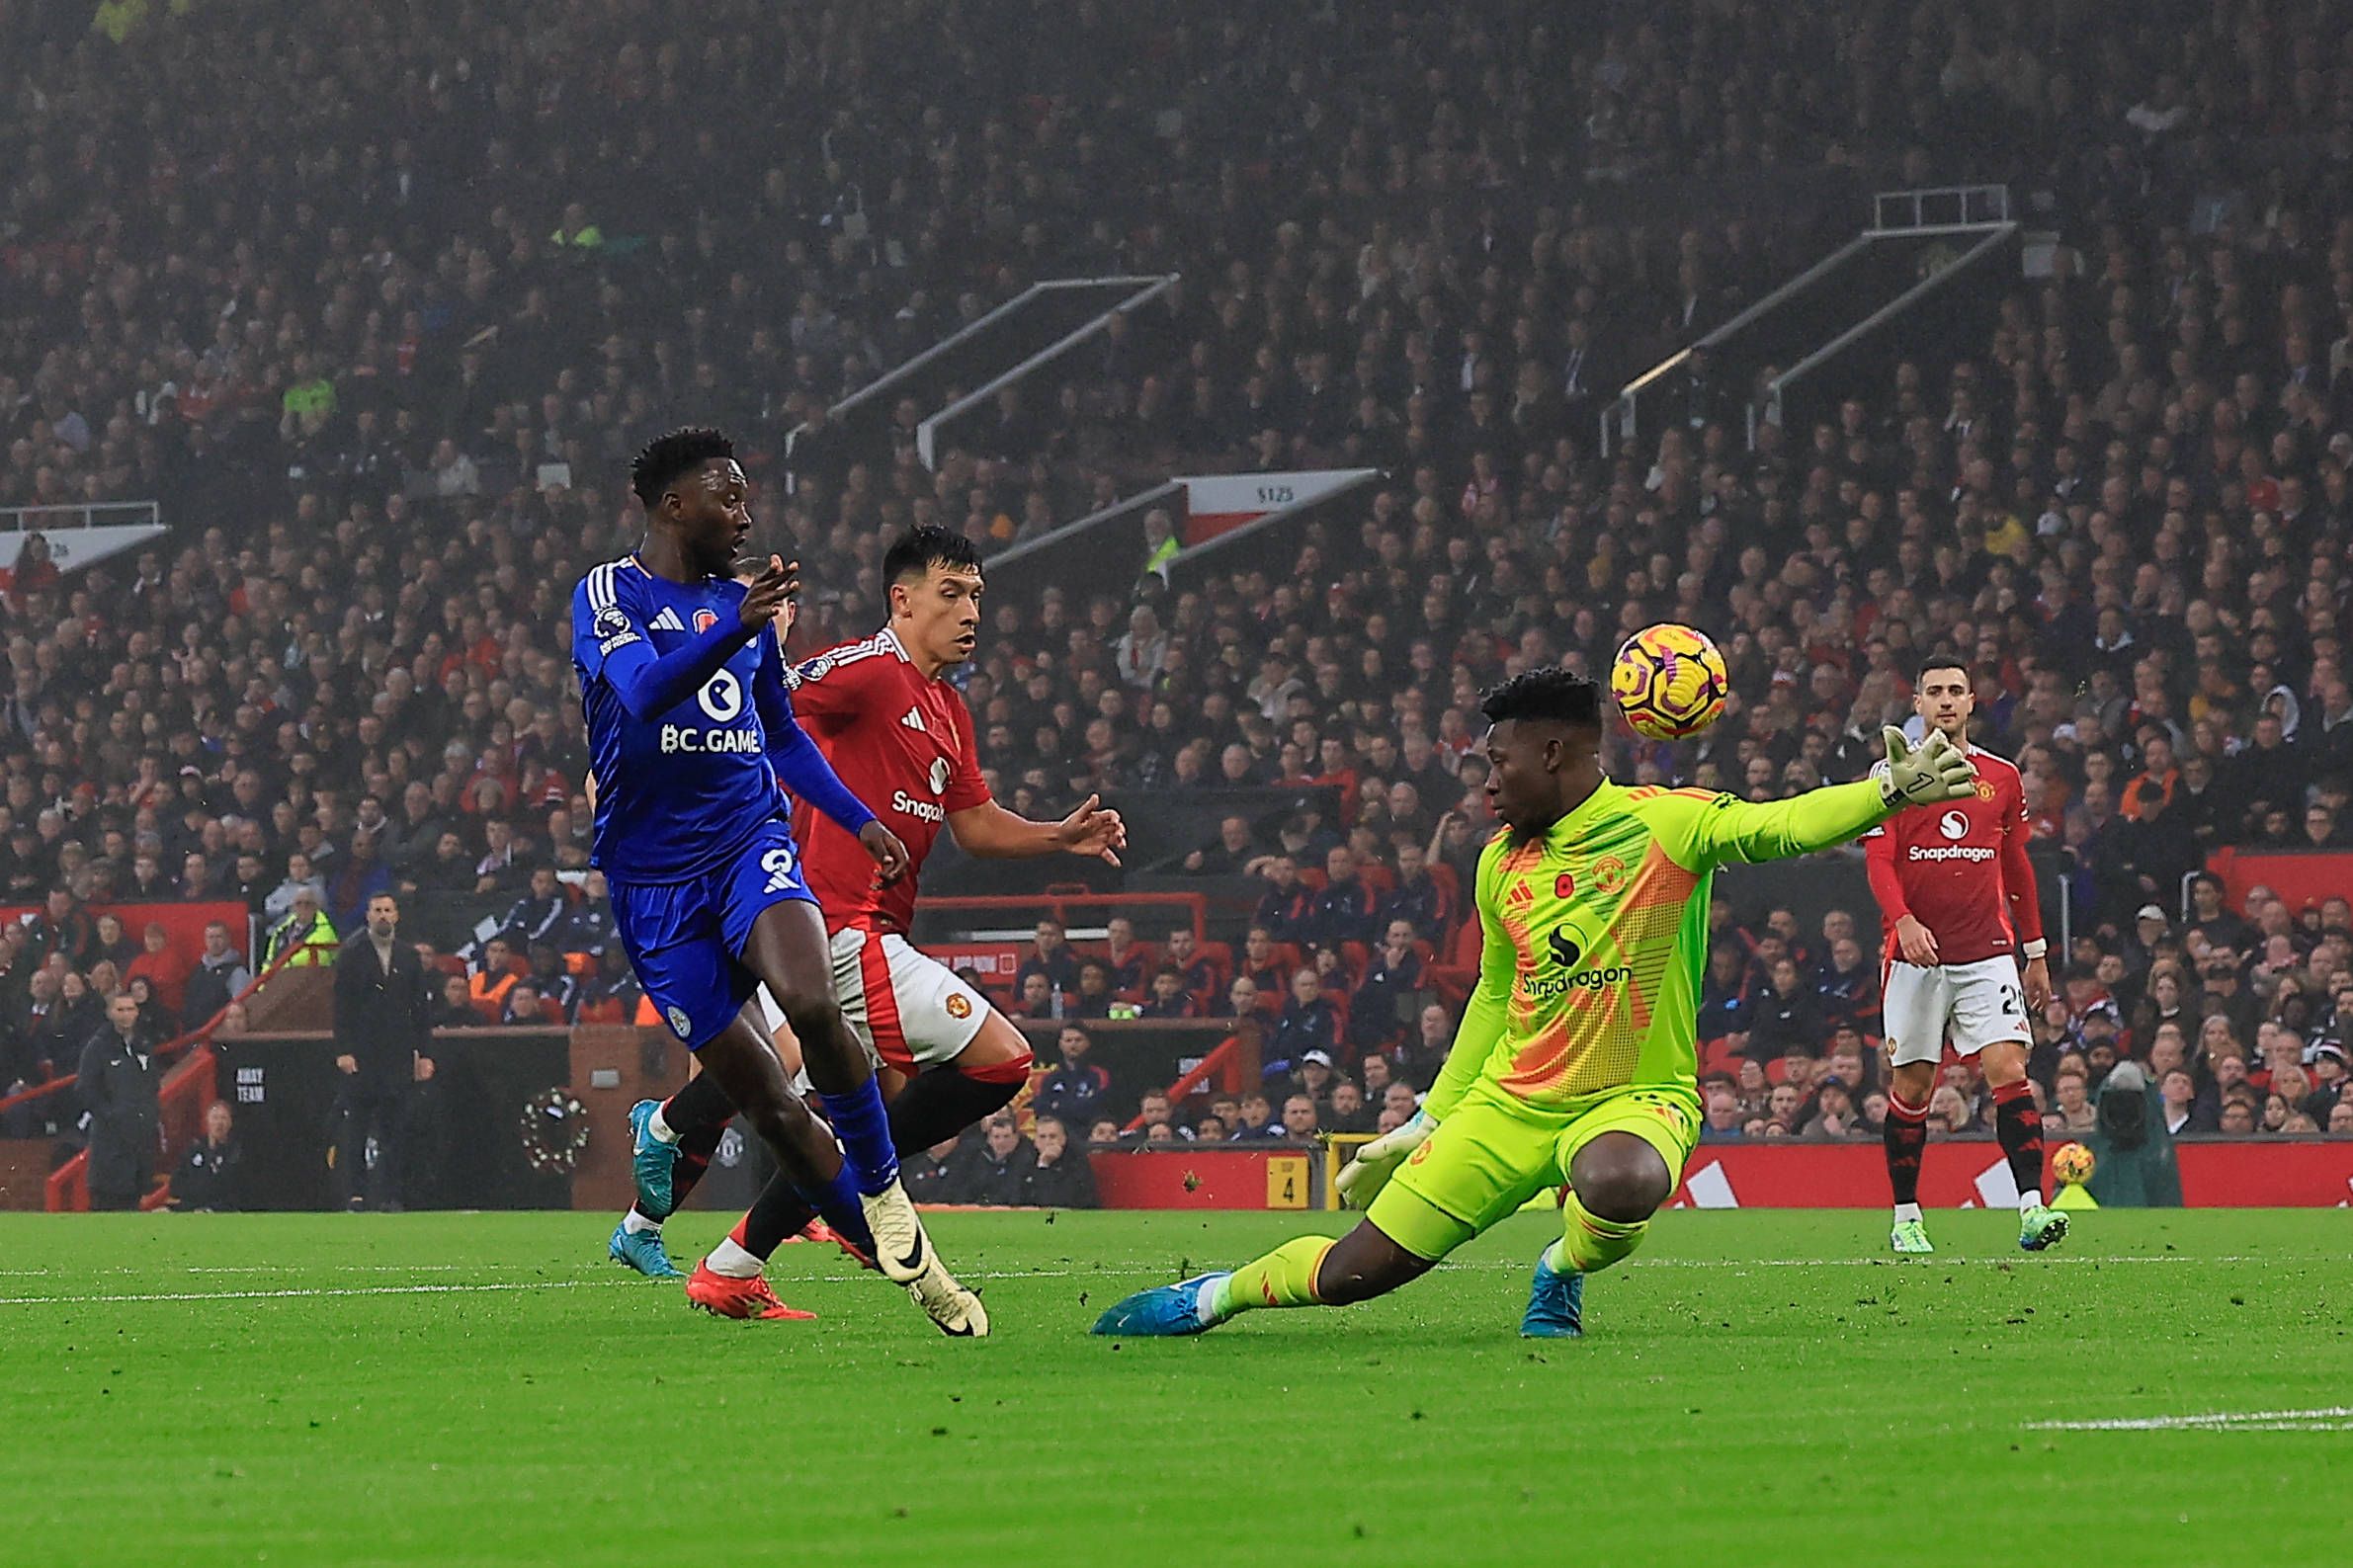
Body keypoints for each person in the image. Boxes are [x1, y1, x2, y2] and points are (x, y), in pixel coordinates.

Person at [1093, 666, 1979, 1339]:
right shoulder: (1498, 862)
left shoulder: (1662, 825)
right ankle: (1207, 1295)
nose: (1483, 782)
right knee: (1353, 1271)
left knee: (1619, 1178)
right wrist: (1426, 1118)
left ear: (1552, 752)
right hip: (1505, 1105)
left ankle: (1560, 1263)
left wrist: (1887, 789)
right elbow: (1493, 991)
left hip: (1633, 1098)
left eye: (1495, 761)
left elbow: (1779, 823)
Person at [618, 525, 1125, 1317]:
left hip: (878, 931)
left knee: (859, 1109)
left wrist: (1058, 836)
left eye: (977, 597)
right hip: (834, 928)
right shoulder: (865, 669)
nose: (970, 613)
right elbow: (766, 698)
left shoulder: (948, 708)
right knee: (995, 1061)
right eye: (951, 594)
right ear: (903, 598)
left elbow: (976, 822)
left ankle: (734, 1259)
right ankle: (763, 1203)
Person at [570, 427, 975, 1334]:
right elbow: (640, 693)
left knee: (811, 999)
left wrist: (856, 814)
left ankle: (884, 1192)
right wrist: (736, 625)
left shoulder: (734, 603)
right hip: (652, 884)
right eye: (729, 496)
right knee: (771, 1104)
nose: (747, 514)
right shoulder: (610, 592)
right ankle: (897, 1258)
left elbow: (780, 732)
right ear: (675, 505)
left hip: (747, 841)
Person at [1867, 654, 2062, 1257]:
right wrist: (1904, 921)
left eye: (1956, 691)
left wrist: (2035, 951)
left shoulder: (2001, 777)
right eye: (1934, 692)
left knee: (2010, 1072)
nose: (1946, 700)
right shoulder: (1893, 773)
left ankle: (2032, 1209)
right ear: (1919, 705)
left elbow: (2017, 867)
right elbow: (1878, 860)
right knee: (1915, 1088)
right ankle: (1906, 1216)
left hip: (1987, 953)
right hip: (1915, 959)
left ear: (1973, 702)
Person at [330, 894, 437, 1211]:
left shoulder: (407, 957)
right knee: (356, 1130)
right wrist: (343, 1050)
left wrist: (426, 1053)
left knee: (395, 1131)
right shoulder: (352, 955)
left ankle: (391, 1195)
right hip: (362, 1056)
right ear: (367, 916)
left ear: (397, 916)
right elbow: (342, 1008)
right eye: (377, 910)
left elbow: (420, 1009)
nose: (383, 916)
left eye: (388, 910)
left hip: (398, 1055)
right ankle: (356, 1195)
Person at [78, 991, 162, 1210]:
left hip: (140, 1144)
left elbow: (153, 1086)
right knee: (106, 1208)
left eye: (130, 1009)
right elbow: (86, 1090)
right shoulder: (97, 1047)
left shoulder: (144, 1045)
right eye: (120, 1009)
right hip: (110, 1145)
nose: (126, 1015)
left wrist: (150, 1115)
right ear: (109, 1013)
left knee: (133, 1210)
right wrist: (112, 1116)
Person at [171, 1101, 243, 1211]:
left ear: (230, 1123)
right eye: (215, 1118)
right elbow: (176, 1185)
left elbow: (230, 1189)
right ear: (207, 1121)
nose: (219, 1123)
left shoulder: (235, 1152)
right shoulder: (194, 1149)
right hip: (191, 1206)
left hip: (220, 1209)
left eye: (223, 1118)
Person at [1021, 1115, 1099, 1208]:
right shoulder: (1026, 1160)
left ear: (1063, 1140)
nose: (1047, 1141)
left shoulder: (1076, 1161)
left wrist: (1044, 1165)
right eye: (1042, 1137)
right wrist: (1041, 1165)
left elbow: (1060, 1201)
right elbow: (1018, 1197)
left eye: (1052, 1136)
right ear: (1035, 1141)